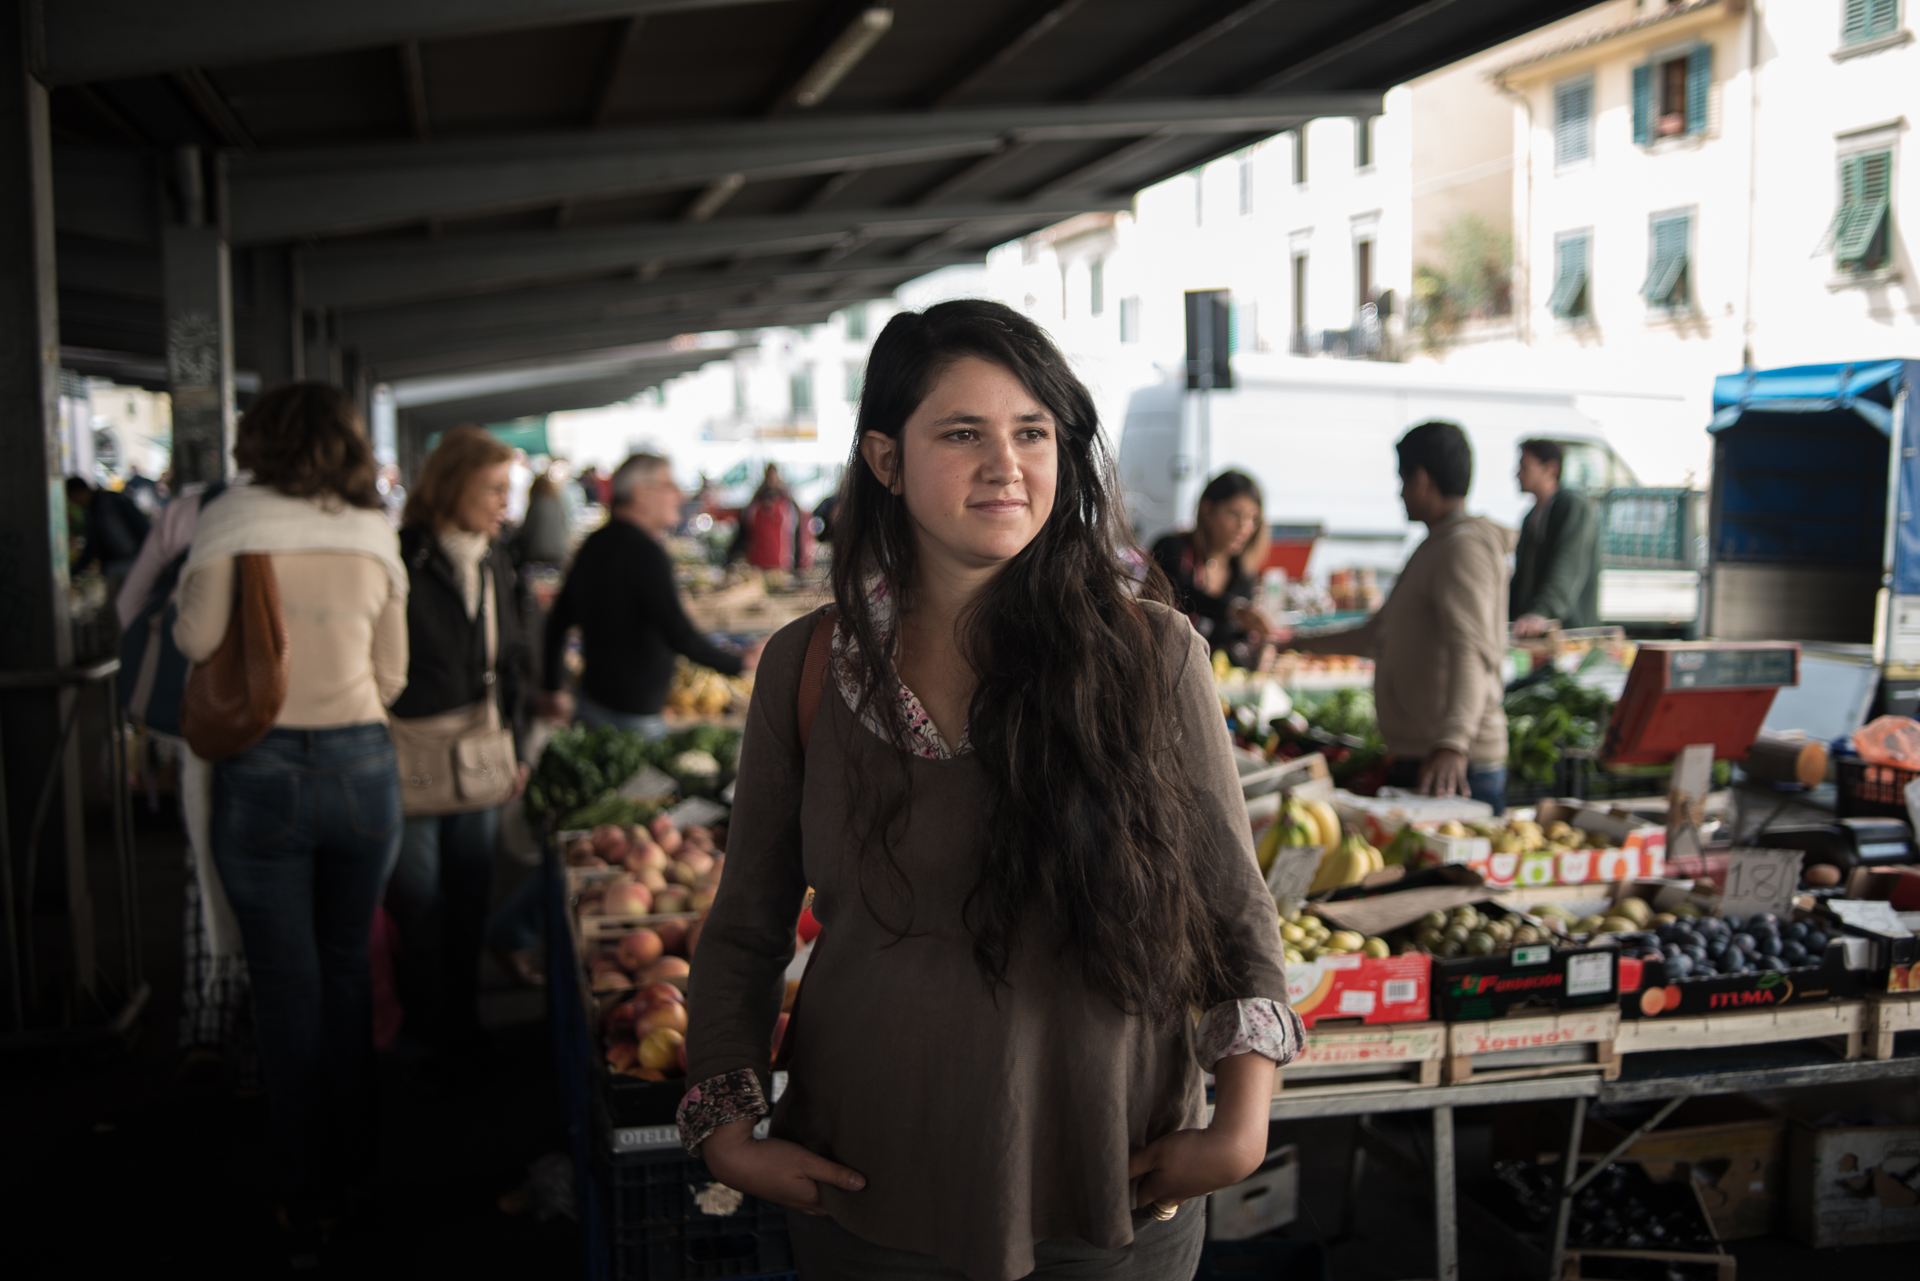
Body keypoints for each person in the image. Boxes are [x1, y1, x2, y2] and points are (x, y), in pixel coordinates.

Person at [681, 300, 1299, 1281]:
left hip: (1113, 1172)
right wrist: (727, 1123)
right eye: (962, 434)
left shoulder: (1153, 656)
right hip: (868, 1178)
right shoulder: (808, 667)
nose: (1005, 463)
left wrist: (1243, 1124)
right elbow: (749, 922)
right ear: (885, 460)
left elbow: (1234, 906)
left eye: (1032, 432)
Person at [173, 383, 409, 1242]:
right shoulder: (371, 527)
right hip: (363, 768)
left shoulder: (233, 520)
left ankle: (307, 1190)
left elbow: (197, 643)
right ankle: (360, 1170)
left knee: (285, 984)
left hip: (263, 769)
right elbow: (394, 675)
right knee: (348, 969)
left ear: (256, 439)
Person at [385, 427, 538, 1052]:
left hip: (480, 752)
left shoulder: (497, 558)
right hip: (412, 753)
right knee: (417, 905)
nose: (505, 502)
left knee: (470, 895)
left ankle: (463, 1030)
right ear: (452, 484)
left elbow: (518, 663)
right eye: (494, 488)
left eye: (509, 488)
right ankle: (423, 1034)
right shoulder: (400, 556)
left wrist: (519, 747)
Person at [1291, 421, 1514, 811]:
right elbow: (1376, 634)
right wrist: (1293, 643)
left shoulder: (1462, 548)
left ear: (1422, 480)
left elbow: (1472, 650)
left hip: (1452, 767)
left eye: (1403, 480)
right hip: (1429, 756)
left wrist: (1453, 743)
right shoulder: (1436, 544)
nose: (1400, 493)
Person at [116, 480, 256, 1087]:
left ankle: (206, 1024)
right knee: (279, 866)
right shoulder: (317, 508)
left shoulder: (187, 513)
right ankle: (271, 1027)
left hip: (197, 716)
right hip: (285, 715)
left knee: (206, 865)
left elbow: (129, 608)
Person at [540, 454, 763, 737]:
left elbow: (556, 622)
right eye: (669, 485)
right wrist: (740, 663)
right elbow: (678, 633)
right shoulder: (646, 554)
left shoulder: (594, 545)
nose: (679, 496)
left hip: (591, 706)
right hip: (633, 719)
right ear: (641, 493)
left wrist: (551, 686)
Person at [1148, 470, 1277, 666]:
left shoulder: (1243, 574)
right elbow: (1183, 595)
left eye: (1253, 519)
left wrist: (1259, 648)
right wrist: (1234, 610)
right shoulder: (1172, 548)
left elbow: (1230, 642)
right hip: (1156, 673)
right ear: (1207, 510)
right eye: (1235, 514)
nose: (1244, 528)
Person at [1510, 438, 1600, 637]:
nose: (1517, 474)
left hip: (1567, 635)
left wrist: (1541, 612)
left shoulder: (1572, 506)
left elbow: (1567, 565)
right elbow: (1521, 578)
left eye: (1525, 467)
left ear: (1551, 469)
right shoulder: (1530, 517)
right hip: (1535, 632)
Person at [728, 463, 815, 571]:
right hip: (757, 565)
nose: (771, 480)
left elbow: (799, 534)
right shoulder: (756, 502)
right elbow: (744, 531)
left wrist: (799, 564)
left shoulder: (787, 502)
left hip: (782, 566)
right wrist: (735, 556)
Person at [68, 475, 152, 582]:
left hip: (130, 564)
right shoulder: (94, 508)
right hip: (120, 566)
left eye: (71, 497)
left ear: (78, 492)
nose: (74, 502)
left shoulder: (108, 503)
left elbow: (140, 525)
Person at [508, 472, 571, 570]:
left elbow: (527, 530)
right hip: (559, 552)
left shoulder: (537, 503)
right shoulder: (559, 503)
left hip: (537, 553)